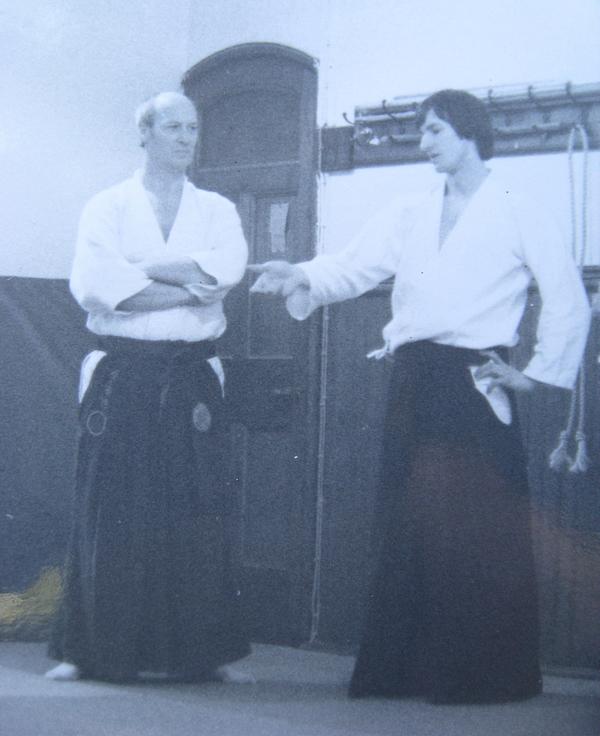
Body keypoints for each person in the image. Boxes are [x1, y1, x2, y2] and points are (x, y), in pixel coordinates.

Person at [249, 89, 591, 704]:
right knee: (410, 525)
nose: (424, 143)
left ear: (467, 132)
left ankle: (483, 675)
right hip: (415, 379)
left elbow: (567, 296)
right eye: (422, 131)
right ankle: (402, 670)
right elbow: (354, 266)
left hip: (475, 382)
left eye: (434, 130)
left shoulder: (518, 209)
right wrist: (300, 274)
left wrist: (537, 376)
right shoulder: (410, 210)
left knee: (475, 530)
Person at [46, 91, 251, 683]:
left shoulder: (216, 209)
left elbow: (226, 273)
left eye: (193, 128)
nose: (186, 138)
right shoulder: (107, 206)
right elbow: (97, 287)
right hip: (125, 373)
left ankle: (202, 653)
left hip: (191, 375)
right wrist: (189, 285)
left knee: (198, 512)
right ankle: (90, 651)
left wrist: (140, 273)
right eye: (173, 127)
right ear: (145, 133)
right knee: (112, 511)